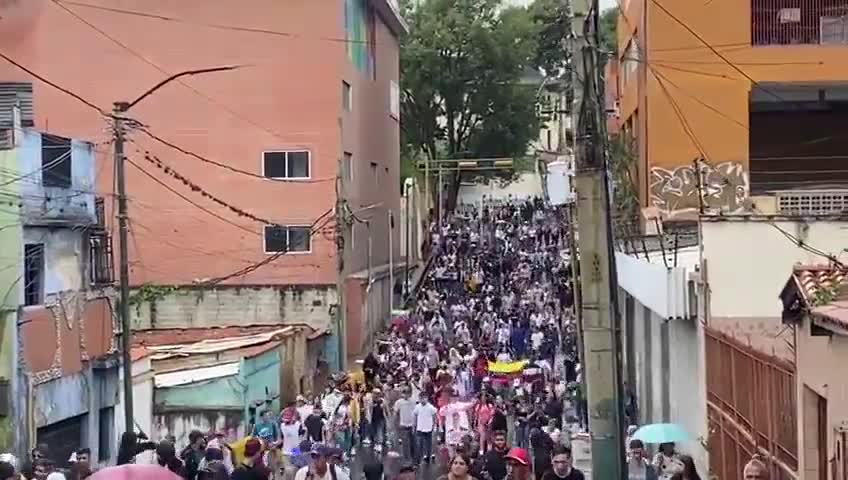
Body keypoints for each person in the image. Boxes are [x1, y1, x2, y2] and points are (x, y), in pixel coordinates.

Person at [413, 394, 438, 465]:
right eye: (421, 398)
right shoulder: (417, 407)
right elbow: (415, 415)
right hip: (420, 428)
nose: (422, 400)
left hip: (428, 428)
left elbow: (434, 416)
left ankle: (428, 456)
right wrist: (414, 425)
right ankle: (419, 459)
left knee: (428, 443)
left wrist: (434, 425)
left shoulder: (430, 407)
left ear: (427, 398)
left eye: (424, 398)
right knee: (419, 444)